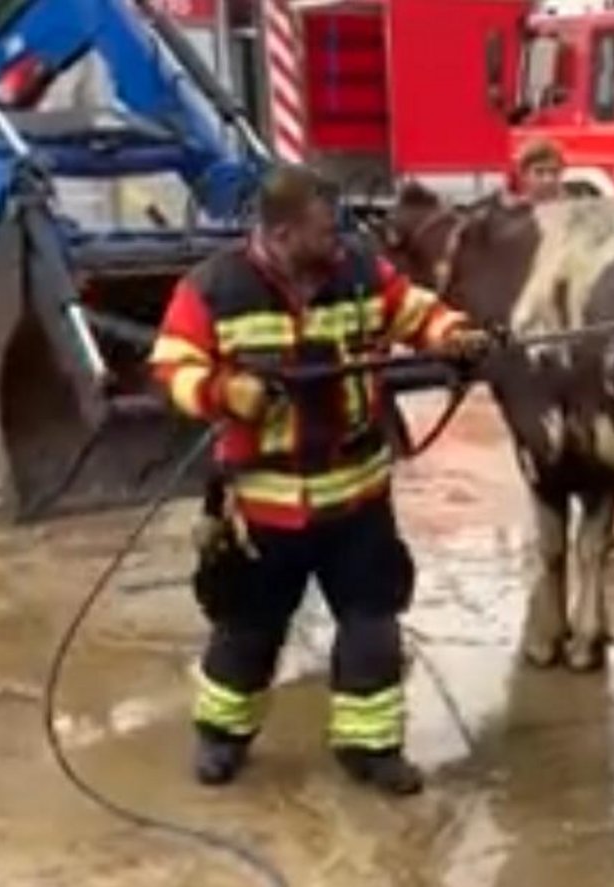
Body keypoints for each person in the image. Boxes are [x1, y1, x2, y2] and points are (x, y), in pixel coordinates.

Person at [149, 164, 490, 797]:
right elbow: (172, 364)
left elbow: (417, 312)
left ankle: (370, 748)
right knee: (247, 630)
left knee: (372, 625)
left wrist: (455, 336)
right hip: (264, 507)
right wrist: (225, 390)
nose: (339, 240)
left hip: (357, 498)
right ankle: (221, 738)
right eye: (324, 230)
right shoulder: (213, 288)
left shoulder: (360, 272)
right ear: (279, 234)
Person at [507, 137, 614, 554]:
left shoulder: (581, 218)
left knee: (592, 433)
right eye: (537, 173)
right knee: (542, 441)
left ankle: (600, 525)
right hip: (534, 347)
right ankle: (546, 523)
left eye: (552, 172)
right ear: (522, 177)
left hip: (579, 339)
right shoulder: (516, 224)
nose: (546, 180)